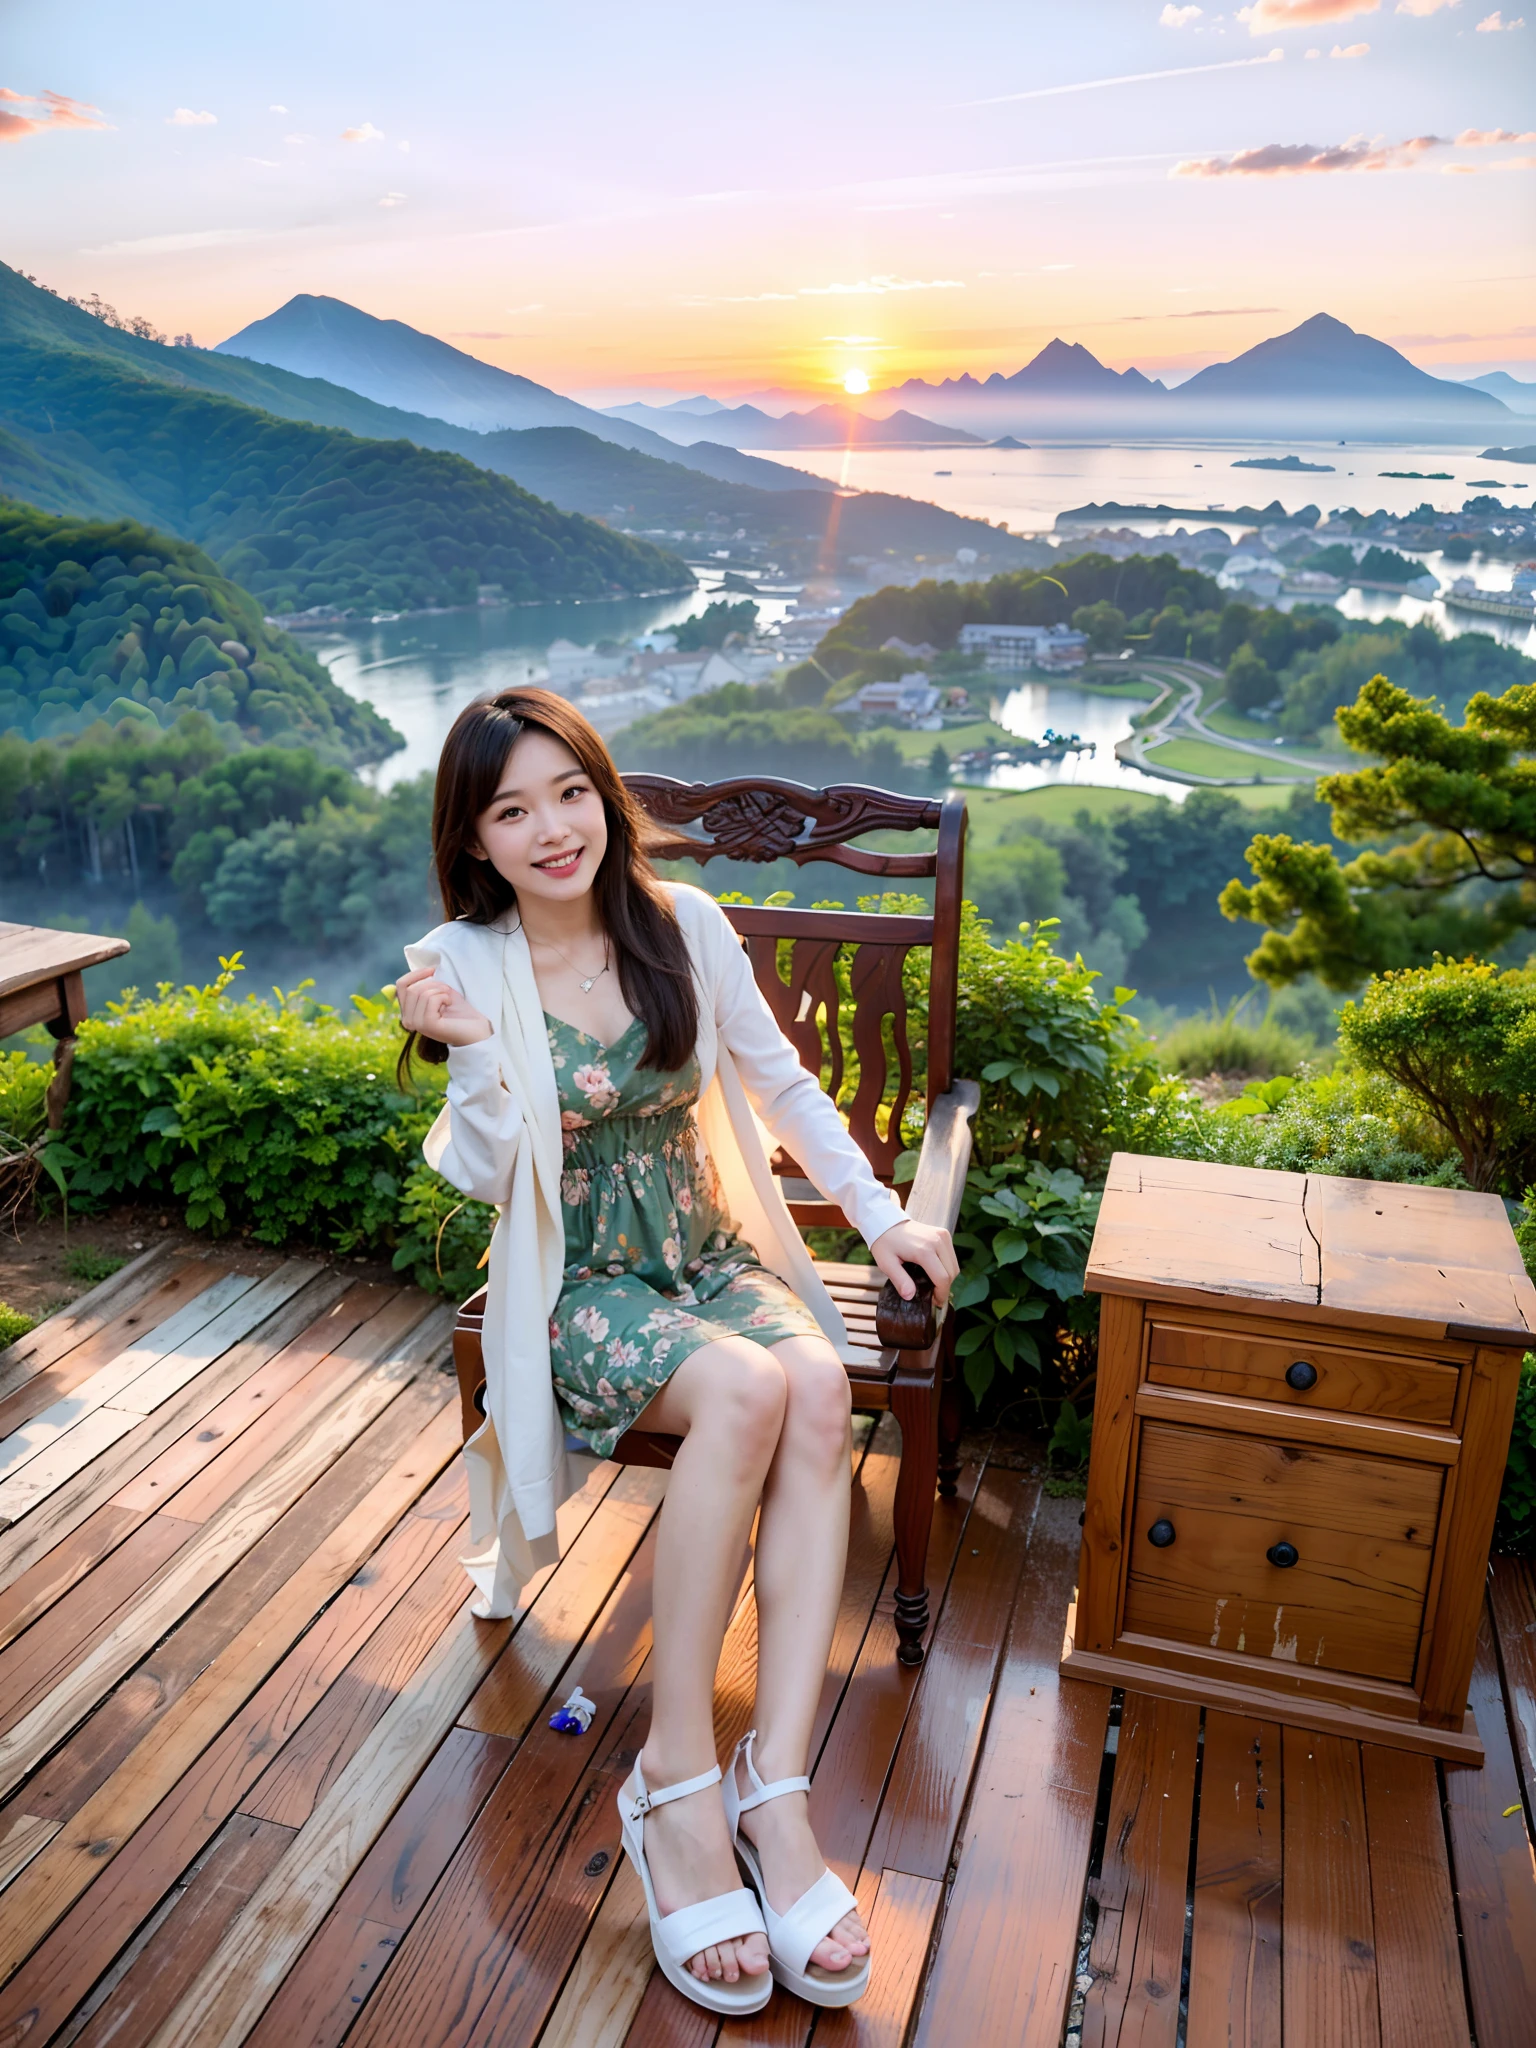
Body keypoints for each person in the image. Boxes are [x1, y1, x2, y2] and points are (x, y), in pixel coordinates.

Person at [395, 688, 955, 2017]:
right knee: (759, 1386)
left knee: (817, 1383)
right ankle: (679, 1785)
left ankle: (777, 1789)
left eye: (570, 792)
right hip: (577, 1282)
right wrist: (471, 1054)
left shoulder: (683, 926)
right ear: (473, 840)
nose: (551, 829)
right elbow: (480, 1174)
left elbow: (782, 1087)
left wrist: (884, 1221)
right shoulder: (463, 968)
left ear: (605, 795)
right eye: (511, 810)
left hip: (705, 1255)